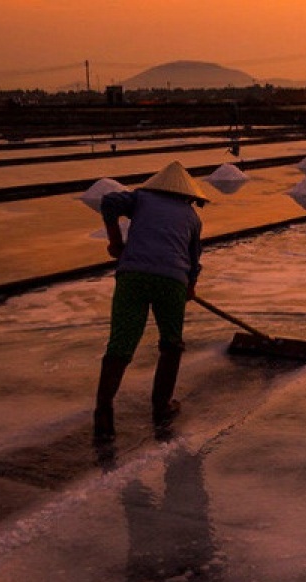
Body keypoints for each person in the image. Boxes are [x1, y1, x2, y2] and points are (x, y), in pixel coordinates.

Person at [93, 160, 207, 444]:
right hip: (171, 281)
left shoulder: (141, 199)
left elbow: (108, 202)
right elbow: (193, 262)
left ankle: (104, 409)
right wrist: (189, 287)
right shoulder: (192, 218)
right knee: (171, 344)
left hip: (132, 276)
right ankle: (161, 405)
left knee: (120, 343)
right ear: (188, 194)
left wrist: (115, 242)